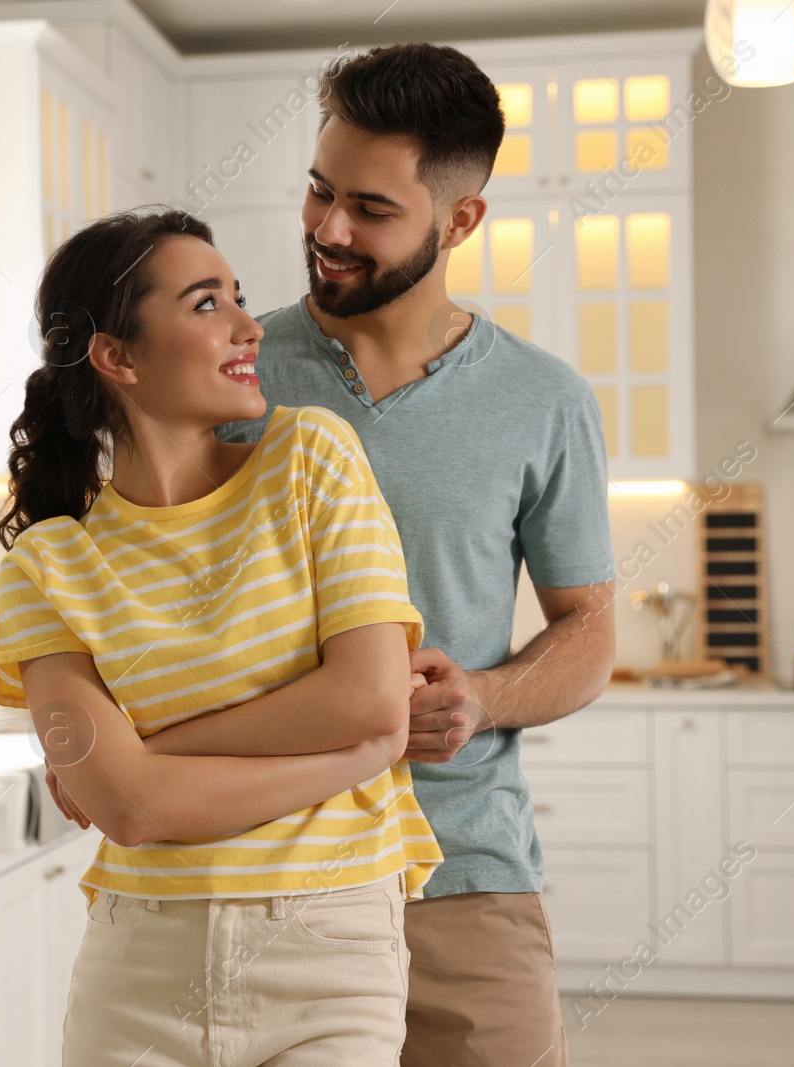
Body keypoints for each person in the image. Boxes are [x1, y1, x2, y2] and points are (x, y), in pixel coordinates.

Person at [213, 43, 619, 1066]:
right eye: (317, 192)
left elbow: (588, 625)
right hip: (261, 861)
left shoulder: (543, 399)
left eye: (371, 209)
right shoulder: (227, 377)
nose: (328, 230)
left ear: (460, 219)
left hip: (463, 872)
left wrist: (482, 694)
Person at [0, 207, 444, 1066]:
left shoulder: (312, 458)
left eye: (239, 297)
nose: (247, 327)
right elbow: (129, 807)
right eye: (206, 304)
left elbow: (366, 696)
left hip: (330, 949)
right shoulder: (48, 566)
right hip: (138, 971)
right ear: (118, 356)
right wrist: (360, 753)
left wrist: (151, 748)